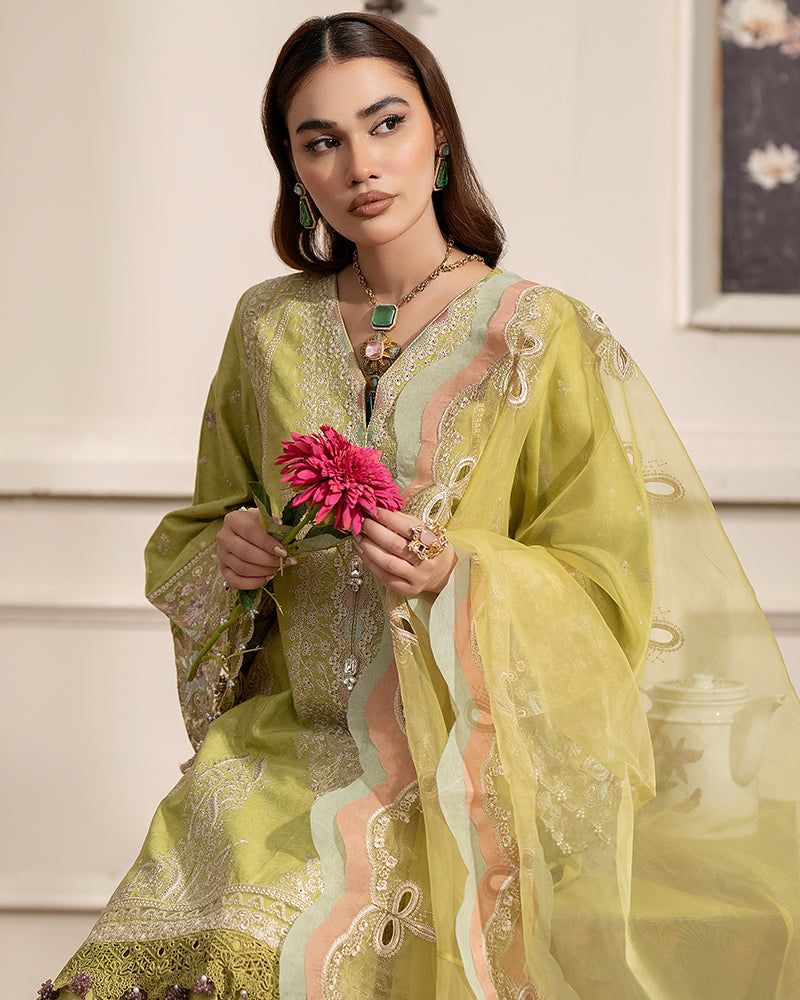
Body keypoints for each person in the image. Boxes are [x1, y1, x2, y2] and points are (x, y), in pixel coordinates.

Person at [42, 12, 800, 1000]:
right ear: (294, 171)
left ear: (437, 136)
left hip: (451, 758)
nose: (360, 164)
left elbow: (608, 582)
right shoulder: (267, 326)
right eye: (321, 141)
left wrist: (460, 571)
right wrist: (231, 549)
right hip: (278, 748)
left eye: (386, 124)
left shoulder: (538, 333)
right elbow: (205, 523)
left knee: (285, 953)